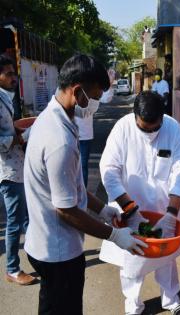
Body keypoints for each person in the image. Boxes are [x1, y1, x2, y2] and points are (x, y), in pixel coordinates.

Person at [23, 54, 147, 315]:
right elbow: (66, 209)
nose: (96, 105)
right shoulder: (59, 140)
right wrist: (113, 235)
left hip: (44, 241)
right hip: (58, 252)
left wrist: (104, 209)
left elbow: (74, 185)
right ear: (77, 91)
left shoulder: (57, 117)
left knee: (51, 306)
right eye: (95, 97)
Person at [99, 91, 180, 315]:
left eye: (155, 128)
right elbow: (109, 170)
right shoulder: (123, 128)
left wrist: (171, 214)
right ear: (134, 116)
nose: (150, 132)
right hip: (130, 204)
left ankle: (170, 299)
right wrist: (130, 210)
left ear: (162, 117)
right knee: (131, 259)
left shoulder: (172, 127)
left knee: (166, 257)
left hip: (163, 207)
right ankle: (133, 304)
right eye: (144, 128)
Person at [0, 55, 36, 285]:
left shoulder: (5, 98)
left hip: (17, 166)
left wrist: (18, 127)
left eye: (14, 73)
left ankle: (38, 257)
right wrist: (21, 137)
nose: (14, 77)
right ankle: (12, 268)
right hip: (8, 170)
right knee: (15, 221)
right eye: (9, 74)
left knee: (23, 218)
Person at [75, 70, 114, 187]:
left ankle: (83, 195)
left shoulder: (91, 88)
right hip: (69, 134)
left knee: (83, 166)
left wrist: (110, 84)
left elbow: (105, 98)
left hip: (85, 136)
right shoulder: (70, 90)